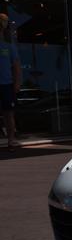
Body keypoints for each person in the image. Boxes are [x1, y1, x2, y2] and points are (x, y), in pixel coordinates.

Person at [0, 13, 21, 151]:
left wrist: (17, 83)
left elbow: (16, 66)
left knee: (9, 113)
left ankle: (11, 141)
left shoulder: (9, 45)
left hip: (6, 84)